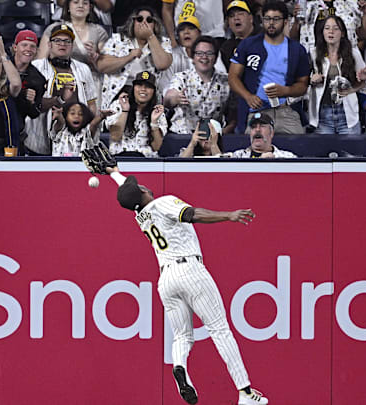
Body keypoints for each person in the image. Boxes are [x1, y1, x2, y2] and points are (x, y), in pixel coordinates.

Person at [101, 162, 269, 405]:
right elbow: (193, 214)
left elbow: (128, 194)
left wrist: (113, 173)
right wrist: (228, 215)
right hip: (190, 269)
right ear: (143, 193)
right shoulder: (163, 202)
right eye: (139, 186)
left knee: (182, 336)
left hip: (166, 279)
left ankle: (180, 366)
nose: (143, 185)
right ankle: (245, 393)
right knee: (219, 330)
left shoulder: (140, 215)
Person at [228, 1, 309, 135]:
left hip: (286, 110)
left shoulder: (297, 50)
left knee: (299, 149)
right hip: (256, 111)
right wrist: (248, 97)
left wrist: (286, 90)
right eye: (267, 19)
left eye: (276, 19)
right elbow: (232, 77)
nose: (271, 23)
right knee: (253, 151)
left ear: (285, 21)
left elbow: (303, 85)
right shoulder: (248, 44)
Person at [25, 24, 98, 155]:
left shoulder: (83, 69)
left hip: (74, 143)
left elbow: (91, 104)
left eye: (67, 41)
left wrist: (90, 133)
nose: (62, 44)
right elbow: (32, 104)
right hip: (39, 139)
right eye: (57, 40)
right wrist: (60, 98)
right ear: (49, 44)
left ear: (72, 45)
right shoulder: (36, 67)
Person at [97, 6, 172, 109]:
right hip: (119, 95)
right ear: (133, 22)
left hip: (148, 97)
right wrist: (129, 56)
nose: (144, 23)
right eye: (140, 19)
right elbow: (102, 66)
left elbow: (163, 64)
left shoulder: (163, 42)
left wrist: (150, 37)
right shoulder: (118, 39)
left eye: (149, 20)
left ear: (155, 25)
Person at [39, 0, 110, 106]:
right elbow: (40, 61)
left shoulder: (99, 31)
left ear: (90, 7)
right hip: (58, 79)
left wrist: (94, 56)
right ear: (68, 6)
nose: (80, 5)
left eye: (85, 3)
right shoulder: (53, 29)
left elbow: (105, 66)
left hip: (89, 81)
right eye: (76, 2)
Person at [308, 16, 366, 135]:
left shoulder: (353, 53)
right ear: (322, 32)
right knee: (324, 152)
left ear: (342, 33)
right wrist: (312, 80)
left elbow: (365, 81)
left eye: (335, 28)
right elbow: (303, 80)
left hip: (347, 114)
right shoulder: (313, 53)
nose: (331, 32)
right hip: (323, 114)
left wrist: (352, 89)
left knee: (351, 152)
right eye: (327, 28)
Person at [164, 36, 232, 135]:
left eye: (209, 53)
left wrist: (223, 132)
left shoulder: (226, 81)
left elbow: (233, 114)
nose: (204, 57)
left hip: (212, 137)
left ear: (216, 57)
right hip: (183, 135)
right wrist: (175, 98)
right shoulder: (181, 77)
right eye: (199, 53)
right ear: (193, 57)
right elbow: (168, 99)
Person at [105, 71, 166, 157]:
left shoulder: (158, 112)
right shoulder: (118, 105)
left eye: (148, 86)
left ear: (154, 91)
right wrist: (125, 111)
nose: (143, 89)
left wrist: (154, 122)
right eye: (139, 85)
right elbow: (115, 136)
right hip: (119, 158)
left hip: (146, 160)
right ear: (133, 88)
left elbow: (156, 147)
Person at [11, 30, 45, 155]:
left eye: (32, 46)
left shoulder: (37, 78)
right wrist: (21, 94)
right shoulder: (1, 66)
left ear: (36, 51)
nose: (28, 49)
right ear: (15, 47)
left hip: (15, 133)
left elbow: (35, 113)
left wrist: (30, 103)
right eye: (24, 45)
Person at [294, 0, 366, 51]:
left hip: (346, 59)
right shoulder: (307, 6)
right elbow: (293, 37)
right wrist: (296, 21)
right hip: (315, 60)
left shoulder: (350, 5)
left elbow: (363, 35)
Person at [227, 112, 297, 158]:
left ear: (271, 133)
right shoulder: (238, 156)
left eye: (262, 126)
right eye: (253, 127)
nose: (257, 129)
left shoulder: (288, 157)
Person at [219, 1, 260, 71]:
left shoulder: (265, 38)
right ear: (228, 23)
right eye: (232, 16)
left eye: (240, 14)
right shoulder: (226, 48)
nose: (236, 18)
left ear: (251, 18)